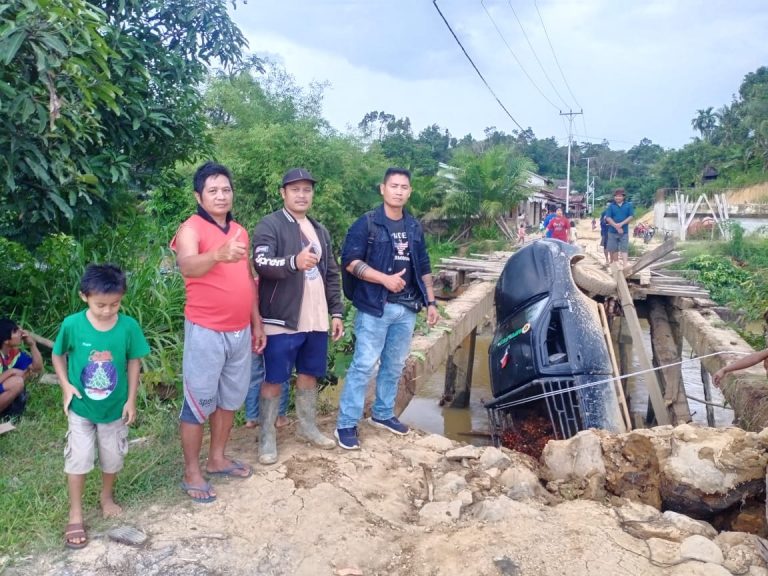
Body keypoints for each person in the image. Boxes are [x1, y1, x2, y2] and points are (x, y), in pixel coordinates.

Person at [171, 161, 266, 503]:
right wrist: (218, 254)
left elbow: (247, 280)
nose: (221, 195)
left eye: (226, 189)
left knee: (230, 399)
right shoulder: (191, 228)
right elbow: (187, 265)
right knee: (198, 402)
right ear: (199, 195)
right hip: (206, 330)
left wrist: (256, 322)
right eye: (213, 190)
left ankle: (217, 458)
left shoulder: (240, 230)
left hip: (240, 330)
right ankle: (191, 471)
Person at [335, 167, 439, 450]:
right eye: (394, 186)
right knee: (364, 365)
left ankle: (382, 414)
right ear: (383, 189)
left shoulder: (414, 227)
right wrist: (384, 279)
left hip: (406, 308)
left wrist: (430, 301)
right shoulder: (367, 224)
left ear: (410, 192)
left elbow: (424, 265)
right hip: (374, 307)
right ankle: (346, 423)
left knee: (393, 366)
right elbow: (350, 262)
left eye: (404, 187)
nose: (399, 191)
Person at [51, 264, 150, 549]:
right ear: (84, 297)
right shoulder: (72, 324)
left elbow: (134, 361)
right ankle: (76, 512)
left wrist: (131, 398)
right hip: (81, 408)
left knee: (112, 457)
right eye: (100, 305)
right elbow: (58, 355)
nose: (108, 310)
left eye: (115, 304)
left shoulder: (128, 326)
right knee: (79, 458)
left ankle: (106, 497)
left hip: (115, 408)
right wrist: (65, 385)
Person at [252, 167, 344, 465]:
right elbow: (261, 262)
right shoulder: (271, 225)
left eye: (307, 190)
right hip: (281, 318)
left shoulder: (320, 230)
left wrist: (337, 312)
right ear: (283, 193)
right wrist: (294, 261)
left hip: (316, 319)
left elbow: (331, 273)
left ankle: (307, 427)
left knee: (309, 373)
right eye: (295, 189)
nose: (302, 195)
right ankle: (267, 437)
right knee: (275, 377)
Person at [0, 318, 43, 419]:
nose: (21, 332)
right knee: (17, 381)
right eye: (15, 331)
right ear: (6, 340)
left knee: (26, 374)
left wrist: (32, 345)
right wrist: (11, 372)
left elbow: (37, 369)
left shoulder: (13, 353)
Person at [243, 353, 289, 429]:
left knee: (254, 378)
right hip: (276, 342)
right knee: (281, 374)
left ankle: (252, 418)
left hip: (253, 343)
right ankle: (279, 417)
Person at [604, 188, 634, 267]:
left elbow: (631, 216)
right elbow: (608, 218)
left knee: (624, 248)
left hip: (624, 231)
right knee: (614, 249)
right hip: (612, 231)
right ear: (614, 197)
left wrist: (621, 224)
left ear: (623, 196)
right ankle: (616, 265)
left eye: (620, 196)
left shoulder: (628, 205)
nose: (618, 198)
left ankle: (625, 265)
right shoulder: (611, 206)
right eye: (616, 196)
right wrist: (616, 226)